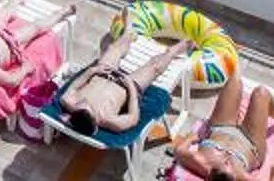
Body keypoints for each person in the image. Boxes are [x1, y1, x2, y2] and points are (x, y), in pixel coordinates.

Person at [54, 34, 187, 144]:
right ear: (95, 121)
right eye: (90, 109)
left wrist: (92, 71)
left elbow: (75, 85)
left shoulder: (69, 101)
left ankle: (130, 35)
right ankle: (173, 52)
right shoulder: (109, 120)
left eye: (83, 106)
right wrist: (131, 87)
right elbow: (133, 117)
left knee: (113, 49)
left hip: (101, 73)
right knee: (155, 67)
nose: (86, 105)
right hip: (126, 86)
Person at [169, 76, 274, 180]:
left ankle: (237, 115)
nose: (227, 161)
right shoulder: (242, 177)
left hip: (220, 128)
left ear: (211, 174)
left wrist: (191, 137)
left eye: (223, 165)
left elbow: (179, 151)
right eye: (230, 167)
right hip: (250, 143)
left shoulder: (202, 162)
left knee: (234, 81)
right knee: (261, 93)